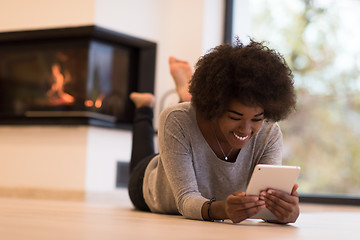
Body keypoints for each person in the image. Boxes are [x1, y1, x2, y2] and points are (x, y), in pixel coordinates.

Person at [127, 39, 299, 224]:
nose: (246, 129)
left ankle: (185, 97)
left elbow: (264, 202)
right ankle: (144, 107)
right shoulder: (175, 119)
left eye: (256, 119)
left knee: (186, 121)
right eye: (235, 117)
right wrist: (223, 209)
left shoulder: (269, 133)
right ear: (213, 107)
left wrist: (285, 212)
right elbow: (185, 199)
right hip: (150, 186)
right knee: (143, 159)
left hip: (188, 141)